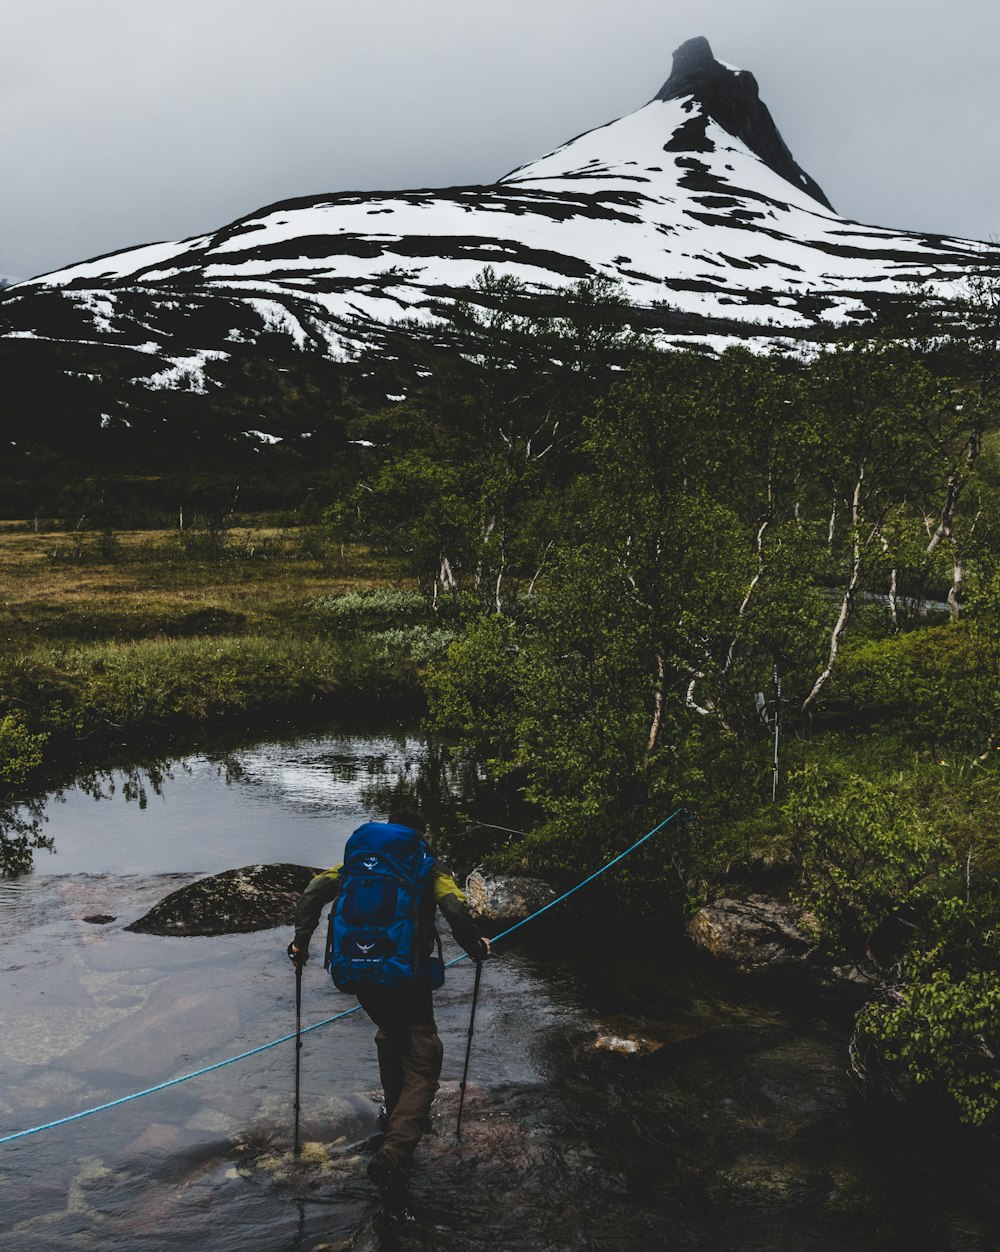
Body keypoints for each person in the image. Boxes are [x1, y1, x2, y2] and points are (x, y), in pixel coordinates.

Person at [287, 809, 490, 1216]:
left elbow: (312, 891)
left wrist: (300, 943)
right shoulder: (426, 865)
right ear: (420, 833)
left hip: (359, 975)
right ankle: (395, 1153)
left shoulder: (354, 863)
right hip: (406, 978)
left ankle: (394, 1113)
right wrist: (477, 949)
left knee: (389, 1033)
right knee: (424, 1059)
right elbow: (453, 910)